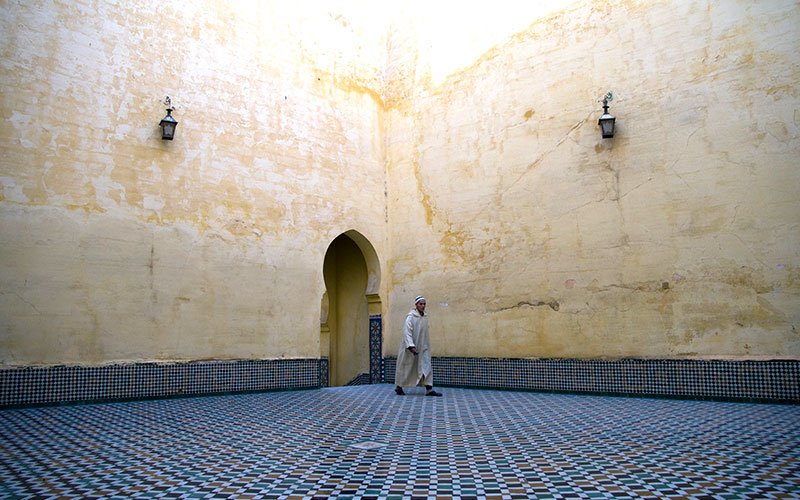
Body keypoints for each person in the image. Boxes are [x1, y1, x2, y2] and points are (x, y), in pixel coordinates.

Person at [394, 296, 442, 396]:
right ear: (416, 305)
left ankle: (429, 389)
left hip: (424, 348)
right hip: (410, 348)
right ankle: (398, 387)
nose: (423, 306)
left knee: (426, 366)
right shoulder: (410, 317)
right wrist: (411, 346)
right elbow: (407, 332)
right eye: (421, 304)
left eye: (424, 304)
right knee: (406, 368)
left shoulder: (425, 317)